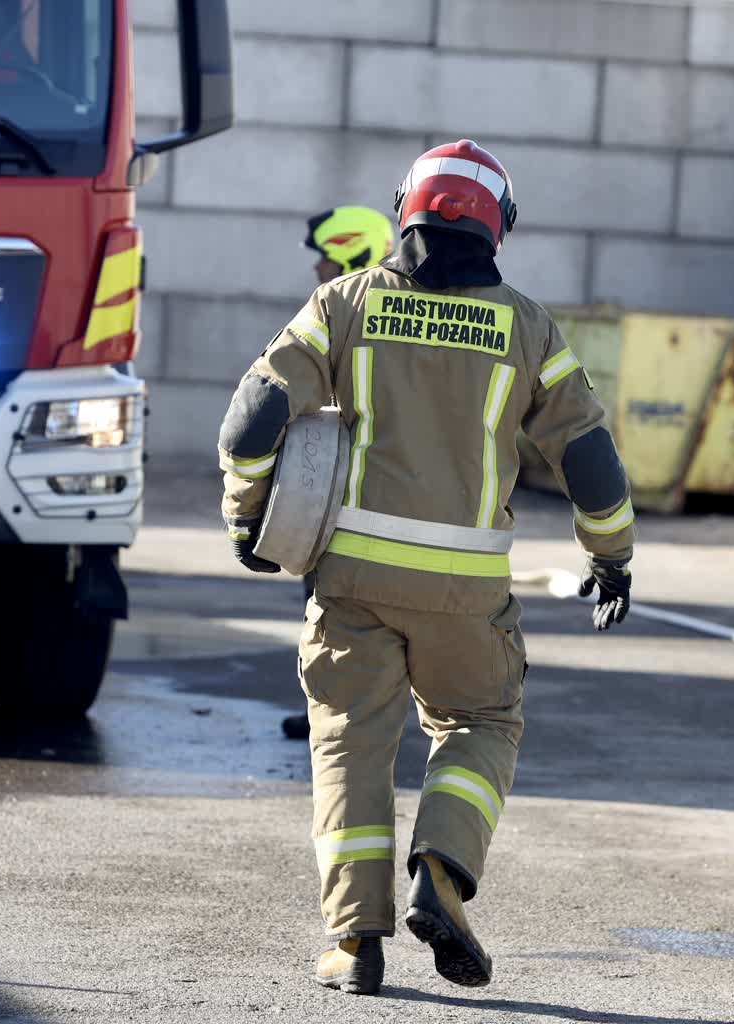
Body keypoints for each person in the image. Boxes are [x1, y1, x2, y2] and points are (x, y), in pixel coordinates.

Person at [216, 139, 635, 996]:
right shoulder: (528, 327)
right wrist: (611, 556)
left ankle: (354, 943)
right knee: (481, 723)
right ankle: (441, 865)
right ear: (498, 228)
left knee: (348, 749)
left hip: (351, 582)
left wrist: (247, 515)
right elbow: (588, 455)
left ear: (403, 208)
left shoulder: (343, 302)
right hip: (466, 590)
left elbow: (252, 419)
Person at [279, 206, 396, 743]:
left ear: (351, 252)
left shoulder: (345, 311)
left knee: (339, 610)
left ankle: (338, 717)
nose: (316, 269)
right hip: (342, 485)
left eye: (325, 257)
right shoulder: (376, 307)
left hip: (349, 492)